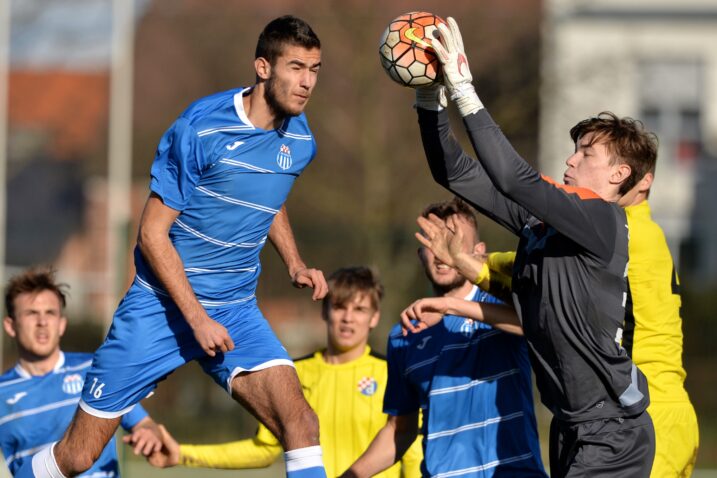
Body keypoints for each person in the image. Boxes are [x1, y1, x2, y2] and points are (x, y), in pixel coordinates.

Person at [17, 15, 329, 478]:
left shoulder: (300, 140)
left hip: (236, 310)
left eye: (315, 70)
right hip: (158, 309)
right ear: (263, 67)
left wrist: (295, 261)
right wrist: (197, 319)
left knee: (301, 422)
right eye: (296, 67)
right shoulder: (200, 129)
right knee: (78, 457)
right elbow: (151, 234)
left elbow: (269, 195)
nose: (306, 83)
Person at [408, 17, 657, 477]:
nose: (570, 158)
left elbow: (513, 178)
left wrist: (463, 85)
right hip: (571, 426)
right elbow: (457, 174)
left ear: (619, 175)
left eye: (586, 153)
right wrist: (429, 99)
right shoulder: (543, 224)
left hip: (614, 432)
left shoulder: (603, 220)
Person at [418, 173, 700, 477]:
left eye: (588, 153)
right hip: (636, 415)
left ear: (640, 181)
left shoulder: (619, 234)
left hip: (641, 415)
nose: (571, 164)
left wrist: (459, 287)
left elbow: (534, 288)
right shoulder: (627, 234)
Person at [145, 266, 423, 477]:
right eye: (339, 307)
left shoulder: (393, 373)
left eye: (360, 309)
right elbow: (264, 449)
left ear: (374, 317)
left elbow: (409, 450)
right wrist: (183, 453)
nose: (348, 318)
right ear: (324, 311)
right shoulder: (292, 374)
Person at [343, 198, 546, 477]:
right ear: (420, 255)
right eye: (431, 243)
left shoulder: (506, 306)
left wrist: (451, 307)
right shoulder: (405, 333)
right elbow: (399, 430)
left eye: (453, 241)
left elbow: (539, 324)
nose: (441, 253)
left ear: (479, 252)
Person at [0, 268, 161, 477]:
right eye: (31, 313)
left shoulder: (95, 369)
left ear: (61, 324)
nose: (42, 322)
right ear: (11, 326)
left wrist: (149, 433)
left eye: (50, 313)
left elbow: (143, 424)